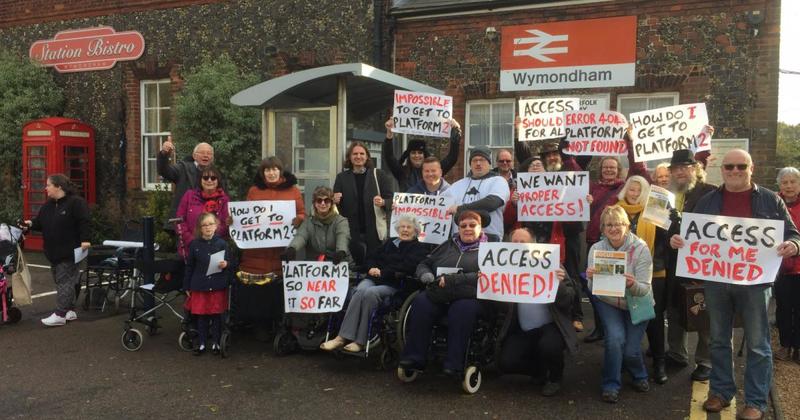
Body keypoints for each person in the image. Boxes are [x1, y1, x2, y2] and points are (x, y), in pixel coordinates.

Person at [670, 149, 800, 420]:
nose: (735, 171)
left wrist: (794, 245)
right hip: (717, 281)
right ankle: (721, 391)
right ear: (723, 170)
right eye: (729, 166)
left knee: (757, 343)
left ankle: (755, 401)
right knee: (718, 339)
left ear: (751, 168)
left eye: (741, 166)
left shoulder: (771, 200)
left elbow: (793, 233)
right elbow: (688, 234)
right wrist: (678, 241)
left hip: (755, 283)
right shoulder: (708, 200)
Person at [399, 210, 493, 376]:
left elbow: (488, 274)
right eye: (463, 226)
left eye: (473, 225)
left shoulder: (490, 250)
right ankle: (414, 358)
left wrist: (455, 279)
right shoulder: (447, 245)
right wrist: (425, 274)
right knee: (421, 302)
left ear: (481, 228)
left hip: (470, 296)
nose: (467, 229)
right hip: (441, 293)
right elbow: (424, 263)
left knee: (461, 309)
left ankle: (454, 363)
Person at [320, 215, 428, 352]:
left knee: (370, 293)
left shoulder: (418, 249)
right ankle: (342, 337)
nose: (405, 230)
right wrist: (371, 268)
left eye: (409, 227)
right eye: (402, 227)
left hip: (395, 284)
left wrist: (383, 272)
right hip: (375, 279)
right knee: (359, 291)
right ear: (397, 229)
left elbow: (408, 267)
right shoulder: (390, 243)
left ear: (416, 231)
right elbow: (371, 257)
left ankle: (360, 340)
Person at [497, 227, 577, 397]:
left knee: (549, 347)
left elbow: (570, 299)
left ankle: (555, 377)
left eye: (522, 242)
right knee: (506, 362)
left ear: (533, 243)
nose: (518, 245)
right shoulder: (503, 266)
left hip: (551, 326)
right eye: (515, 242)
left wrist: (559, 284)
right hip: (523, 328)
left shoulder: (550, 262)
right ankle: (540, 371)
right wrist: (488, 282)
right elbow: (499, 304)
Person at [587, 205, 653, 403]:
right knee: (615, 339)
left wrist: (632, 284)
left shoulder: (641, 248)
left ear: (627, 225)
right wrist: (591, 279)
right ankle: (610, 384)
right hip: (609, 302)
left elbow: (645, 289)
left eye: (618, 224)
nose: (613, 228)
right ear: (602, 228)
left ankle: (639, 374)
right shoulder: (596, 249)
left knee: (631, 350)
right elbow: (593, 288)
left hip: (637, 301)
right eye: (608, 225)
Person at [663, 149, 716, 382]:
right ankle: (676, 353)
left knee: (702, 310)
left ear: (696, 168)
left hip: (702, 263)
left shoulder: (711, 193)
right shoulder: (666, 195)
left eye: (685, 167)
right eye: (676, 168)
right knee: (675, 308)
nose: (680, 172)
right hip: (674, 262)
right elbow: (658, 227)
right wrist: (669, 239)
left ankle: (706, 361)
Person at [235, 157, 305, 335]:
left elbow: (302, 213)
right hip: (257, 250)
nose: (271, 173)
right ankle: (261, 325)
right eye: (267, 170)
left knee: (279, 288)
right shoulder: (254, 190)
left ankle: (280, 324)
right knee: (259, 290)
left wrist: (298, 220)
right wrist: (233, 221)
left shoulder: (293, 190)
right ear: (262, 173)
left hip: (282, 248)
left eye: (274, 169)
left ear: (280, 171)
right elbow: (246, 217)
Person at [615, 175, 669, 384]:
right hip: (623, 273)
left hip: (654, 273)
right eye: (631, 189)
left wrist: (671, 218)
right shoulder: (616, 210)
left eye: (639, 190)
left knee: (654, 319)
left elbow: (666, 241)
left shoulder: (655, 209)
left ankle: (659, 361)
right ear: (625, 191)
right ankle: (626, 359)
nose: (635, 193)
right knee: (625, 316)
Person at [24, 174, 91, 327]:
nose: (45, 188)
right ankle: (69, 311)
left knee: (64, 281)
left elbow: (84, 222)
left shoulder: (76, 203)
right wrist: (29, 224)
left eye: (48, 185)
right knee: (62, 280)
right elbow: (39, 222)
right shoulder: (48, 205)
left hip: (69, 250)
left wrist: (85, 240)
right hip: (52, 252)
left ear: (58, 186)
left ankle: (60, 314)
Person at [333, 141, 394, 267]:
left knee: (374, 265)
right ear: (349, 157)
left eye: (362, 153)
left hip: (374, 231)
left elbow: (392, 200)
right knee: (355, 266)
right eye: (355, 154)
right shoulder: (342, 178)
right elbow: (335, 207)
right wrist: (334, 200)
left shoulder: (379, 175)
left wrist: (383, 202)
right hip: (351, 231)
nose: (358, 156)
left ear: (367, 157)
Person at [183, 212, 234, 356]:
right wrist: (186, 286)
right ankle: (202, 343)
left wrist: (226, 264)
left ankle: (216, 343)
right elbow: (189, 267)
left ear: (216, 225)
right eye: (204, 225)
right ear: (200, 228)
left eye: (211, 224)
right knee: (202, 316)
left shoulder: (222, 243)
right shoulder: (194, 244)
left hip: (217, 285)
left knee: (217, 316)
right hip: (200, 286)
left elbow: (231, 263)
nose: (208, 227)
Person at [444, 146, 510, 240]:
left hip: (489, 239)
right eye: (474, 160)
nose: (478, 163)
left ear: (489, 163)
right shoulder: (457, 185)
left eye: (482, 160)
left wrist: (460, 208)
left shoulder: (498, 181)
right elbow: (440, 206)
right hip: (460, 240)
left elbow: (492, 203)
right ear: (470, 164)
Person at [383, 118, 461, 190]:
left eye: (420, 153)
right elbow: (389, 157)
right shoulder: (402, 172)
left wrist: (456, 132)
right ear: (408, 155)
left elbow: (452, 158)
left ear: (424, 155)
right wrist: (389, 133)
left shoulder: (433, 171)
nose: (417, 155)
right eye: (413, 153)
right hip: (408, 205)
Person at [157, 136, 219, 225]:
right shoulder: (183, 168)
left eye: (209, 153)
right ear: (194, 155)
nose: (206, 155)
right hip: (184, 222)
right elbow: (164, 171)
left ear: (212, 157)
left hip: (207, 224)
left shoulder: (216, 174)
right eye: (202, 153)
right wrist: (164, 154)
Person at [283, 186, 351, 265]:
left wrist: (341, 252)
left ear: (331, 203)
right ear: (314, 203)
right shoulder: (308, 222)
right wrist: (292, 248)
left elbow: (343, 236)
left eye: (327, 200)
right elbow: (301, 236)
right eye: (319, 200)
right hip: (315, 265)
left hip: (338, 263)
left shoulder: (341, 221)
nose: (323, 204)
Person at [175, 166, 229, 259]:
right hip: (190, 249)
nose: (209, 180)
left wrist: (209, 241)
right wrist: (191, 241)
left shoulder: (224, 200)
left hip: (214, 249)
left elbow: (225, 224)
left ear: (218, 181)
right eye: (205, 177)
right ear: (200, 180)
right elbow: (179, 221)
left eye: (213, 178)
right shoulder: (189, 195)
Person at [775, 167, 800, 362]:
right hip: (780, 268)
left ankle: (798, 346)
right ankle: (785, 345)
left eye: (793, 182)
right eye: (785, 182)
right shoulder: (773, 202)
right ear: (780, 185)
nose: (789, 186)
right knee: (783, 308)